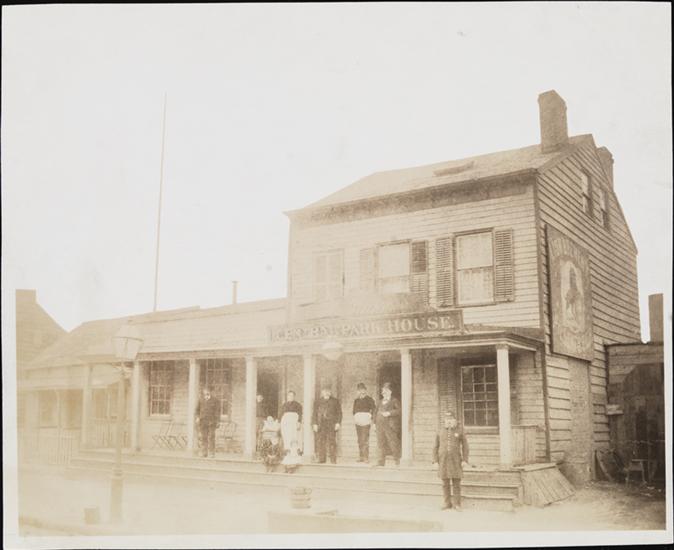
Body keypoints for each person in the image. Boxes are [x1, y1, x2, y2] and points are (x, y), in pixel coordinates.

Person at [433, 411, 470, 511]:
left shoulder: (460, 431)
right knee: (445, 483)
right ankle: (447, 503)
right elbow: (435, 447)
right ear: (444, 420)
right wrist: (435, 461)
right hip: (443, 460)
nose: (449, 421)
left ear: (454, 420)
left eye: (451, 419)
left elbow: (465, 446)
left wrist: (465, 460)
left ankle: (457, 504)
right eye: (447, 419)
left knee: (456, 483)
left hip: (456, 460)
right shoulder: (440, 431)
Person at [312, 386, 342, 464]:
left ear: (330, 392)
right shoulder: (318, 401)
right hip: (321, 424)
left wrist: (338, 423)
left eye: (328, 391)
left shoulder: (335, 401)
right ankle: (322, 459)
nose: (326, 392)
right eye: (325, 391)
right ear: (322, 392)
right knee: (321, 441)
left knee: (332, 441)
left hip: (331, 424)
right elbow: (314, 413)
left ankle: (333, 459)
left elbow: (339, 413)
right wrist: (314, 423)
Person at [374, 382, 401, 467]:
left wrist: (389, 413)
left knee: (393, 442)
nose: (383, 393)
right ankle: (381, 462)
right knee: (380, 443)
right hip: (379, 426)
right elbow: (375, 413)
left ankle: (397, 460)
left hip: (390, 426)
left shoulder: (394, 401)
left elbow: (399, 411)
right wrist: (374, 423)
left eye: (385, 391)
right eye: (383, 391)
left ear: (390, 392)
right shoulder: (380, 402)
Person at [352, 383, 376, 463]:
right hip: (358, 422)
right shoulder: (356, 400)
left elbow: (374, 410)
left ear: (365, 390)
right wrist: (356, 417)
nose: (361, 392)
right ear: (358, 391)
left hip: (366, 421)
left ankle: (366, 457)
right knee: (359, 440)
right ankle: (361, 456)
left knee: (365, 439)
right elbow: (354, 411)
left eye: (363, 390)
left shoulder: (369, 399)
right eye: (359, 390)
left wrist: (370, 417)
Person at [195, 386, 221, 458]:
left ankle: (212, 453)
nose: (206, 394)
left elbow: (217, 412)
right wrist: (197, 417)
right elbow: (197, 410)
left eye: (207, 392)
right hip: (203, 421)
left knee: (211, 437)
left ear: (210, 392)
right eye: (204, 392)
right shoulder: (201, 400)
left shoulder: (215, 401)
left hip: (211, 422)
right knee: (204, 437)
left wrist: (218, 421)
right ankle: (204, 452)